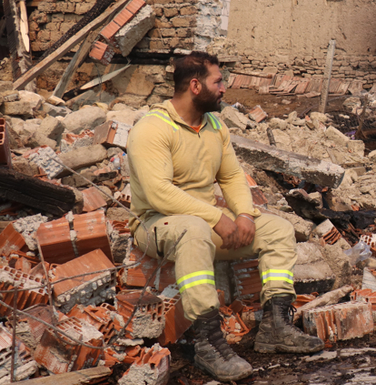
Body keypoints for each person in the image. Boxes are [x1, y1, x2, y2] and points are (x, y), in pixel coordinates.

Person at [126, 51, 323, 381]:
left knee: (276, 228)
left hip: (200, 225)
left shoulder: (215, 124)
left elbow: (231, 176)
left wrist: (244, 215)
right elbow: (160, 193)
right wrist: (216, 218)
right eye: (218, 82)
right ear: (194, 85)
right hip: (155, 224)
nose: (224, 89)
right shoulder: (151, 128)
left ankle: (276, 326)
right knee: (194, 229)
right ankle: (208, 342)